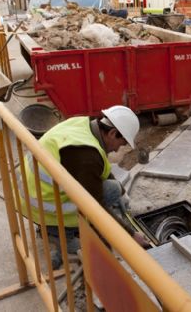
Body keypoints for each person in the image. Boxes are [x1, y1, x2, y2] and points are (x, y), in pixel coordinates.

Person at [19, 105, 149, 264]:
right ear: (112, 133)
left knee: (114, 189)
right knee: (106, 198)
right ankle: (58, 234)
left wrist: (122, 192)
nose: (117, 150)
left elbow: (102, 170)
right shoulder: (87, 156)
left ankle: (54, 228)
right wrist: (130, 235)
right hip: (43, 205)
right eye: (120, 144)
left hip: (33, 191)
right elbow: (95, 209)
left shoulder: (83, 124)